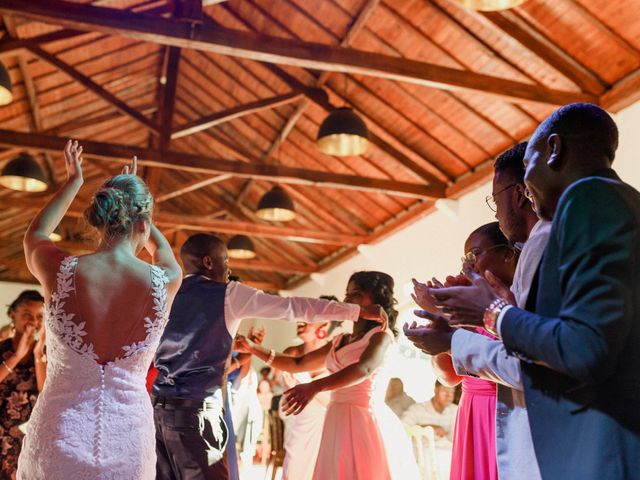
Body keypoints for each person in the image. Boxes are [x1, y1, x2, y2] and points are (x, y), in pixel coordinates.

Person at [408, 103, 640, 478]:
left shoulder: (589, 199)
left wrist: (493, 313)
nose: (525, 191)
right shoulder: (607, 204)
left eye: (528, 168)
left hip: (593, 449)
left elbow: (584, 348)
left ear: (553, 149)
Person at [152, 234, 385, 480]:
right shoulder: (228, 293)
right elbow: (293, 307)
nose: (229, 268)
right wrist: (355, 311)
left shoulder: (166, 294)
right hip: (197, 412)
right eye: (226, 260)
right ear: (209, 262)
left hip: (157, 409)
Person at [17, 141, 182, 478]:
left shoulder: (59, 270)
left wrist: (73, 180)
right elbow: (162, 250)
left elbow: (36, 233)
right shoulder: (166, 280)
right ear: (143, 224)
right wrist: (139, 206)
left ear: (101, 219)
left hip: (58, 436)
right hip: (129, 446)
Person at [235, 271, 420, 480]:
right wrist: (253, 348)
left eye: (356, 294)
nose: (348, 299)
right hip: (336, 417)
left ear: (376, 301)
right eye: (347, 294)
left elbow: (364, 368)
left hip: (364, 419)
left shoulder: (380, 337)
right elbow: (298, 363)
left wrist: (315, 386)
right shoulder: (340, 340)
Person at [412, 222, 517, 480]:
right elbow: (448, 377)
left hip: (506, 405)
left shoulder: (520, 297)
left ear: (507, 253)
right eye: (465, 258)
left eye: (475, 254)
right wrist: (440, 320)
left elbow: (516, 354)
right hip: (471, 409)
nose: (467, 265)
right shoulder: (466, 303)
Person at [278, 301, 337, 480]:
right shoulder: (291, 354)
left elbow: (336, 399)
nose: (300, 320)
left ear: (324, 324)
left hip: (327, 426)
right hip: (298, 424)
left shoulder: (335, 353)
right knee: (294, 467)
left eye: (308, 317)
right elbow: (284, 398)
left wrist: (309, 387)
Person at [0, 290, 46, 478]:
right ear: (13, 314)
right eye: (27, 314)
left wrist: (37, 355)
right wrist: (17, 356)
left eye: (39, 317)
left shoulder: (45, 354)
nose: (33, 322)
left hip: (27, 438)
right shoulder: (2, 349)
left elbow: (46, 393)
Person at [402, 380, 456, 445]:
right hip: (421, 453)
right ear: (435, 390)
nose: (449, 395)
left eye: (452, 392)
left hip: (446, 452)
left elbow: (455, 439)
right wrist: (427, 428)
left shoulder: (456, 410)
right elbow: (401, 429)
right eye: (445, 391)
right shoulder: (416, 410)